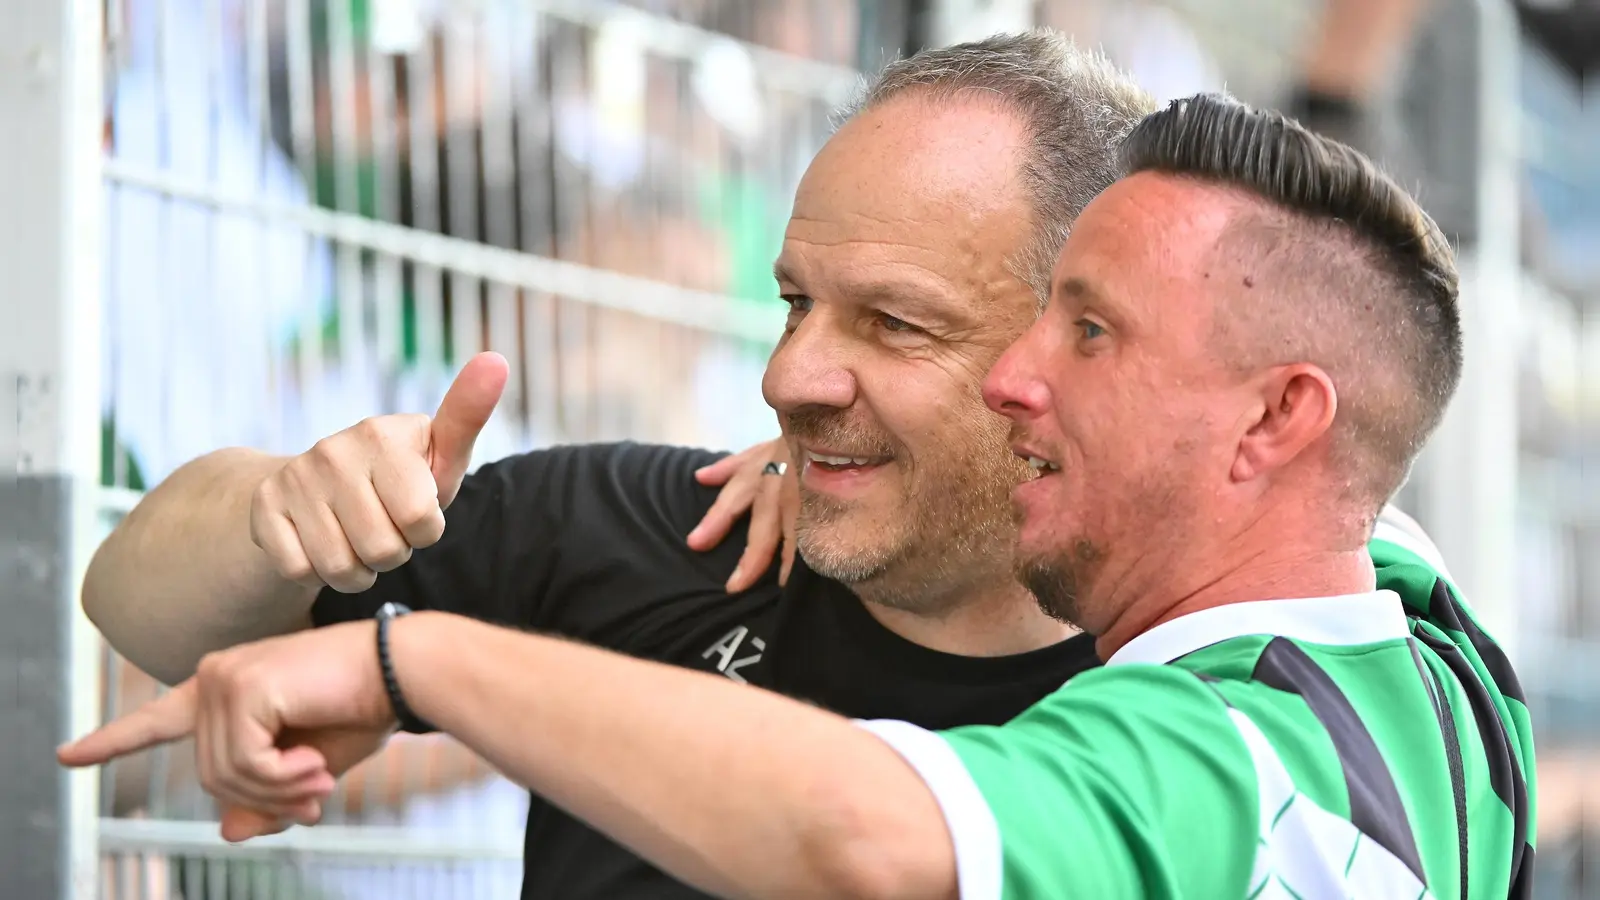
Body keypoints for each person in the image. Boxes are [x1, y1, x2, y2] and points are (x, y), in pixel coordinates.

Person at [71, 35, 1486, 896]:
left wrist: (419, 664)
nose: (791, 374)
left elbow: (865, 835)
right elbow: (135, 605)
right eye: (796, 302)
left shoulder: (1246, 730)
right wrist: (273, 513)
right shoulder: (659, 526)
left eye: (896, 322)